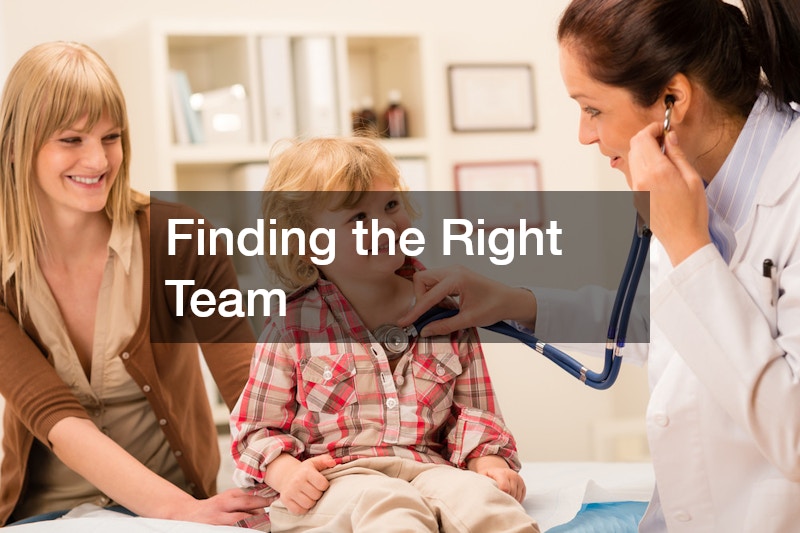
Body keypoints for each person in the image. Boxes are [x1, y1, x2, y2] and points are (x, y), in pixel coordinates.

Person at [399, 0, 800, 531]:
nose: (584, 135)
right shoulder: (692, 176)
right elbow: (663, 323)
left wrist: (687, 245)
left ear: (673, 99)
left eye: (592, 109)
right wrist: (516, 303)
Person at [0, 41, 268, 525]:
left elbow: (248, 386)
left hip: (174, 509)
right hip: (45, 513)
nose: (98, 160)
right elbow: (53, 414)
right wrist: (184, 511)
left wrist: (291, 468)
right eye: (71, 139)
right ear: (17, 147)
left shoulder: (180, 238)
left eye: (111, 137)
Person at [229, 136, 538, 533]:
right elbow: (255, 429)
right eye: (358, 217)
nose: (387, 225)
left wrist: (488, 463)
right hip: (334, 481)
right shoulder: (291, 327)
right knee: (387, 503)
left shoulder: (448, 313)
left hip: (428, 471)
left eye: (390, 204)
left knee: (480, 498)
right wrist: (286, 472)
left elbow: (474, 414)